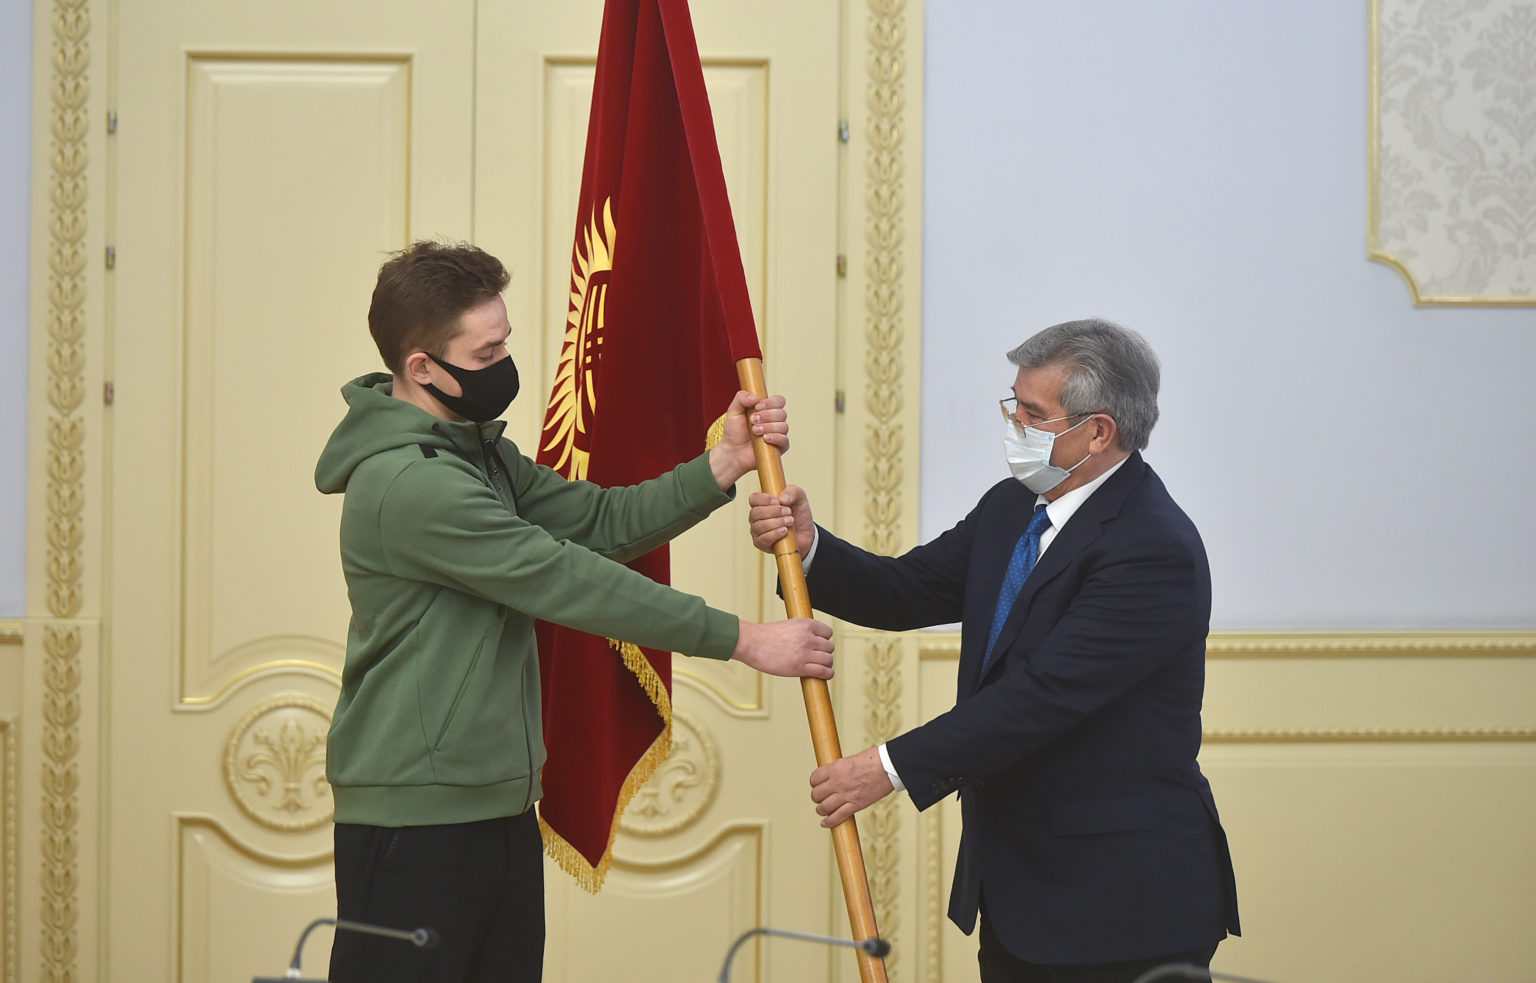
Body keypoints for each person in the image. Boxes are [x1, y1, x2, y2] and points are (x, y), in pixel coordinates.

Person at [315, 240, 835, 983]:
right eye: (486, 352)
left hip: (495, 801)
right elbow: (565, 578)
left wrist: (723, 462)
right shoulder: (412, 483)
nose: (505, 362)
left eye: (505, 341)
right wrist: (745, 639)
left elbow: (598, 522)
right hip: (415, 817)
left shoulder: (473, 452)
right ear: (421, 367)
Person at [749, 318, 1239, 982]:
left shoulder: (1152, 547)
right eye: (1013, 404)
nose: (1014, 423)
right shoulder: (1014, 506)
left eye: (1033, 414)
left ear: (1099, 432)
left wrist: (887, 767)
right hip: (1020, 892)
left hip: (1120, 902)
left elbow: (1040, 697)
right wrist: (810, 549)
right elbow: (905, 590)